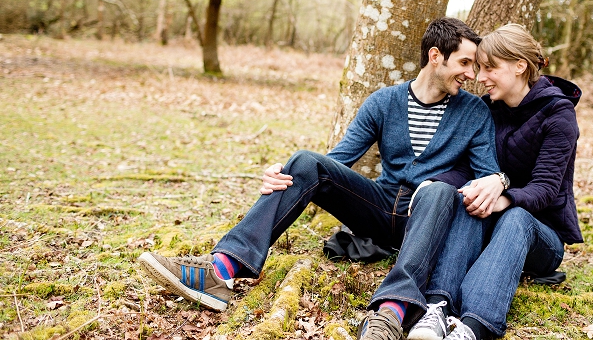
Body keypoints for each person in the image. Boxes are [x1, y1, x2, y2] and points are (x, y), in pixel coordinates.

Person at [137, 17, 506, 315]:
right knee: (305, 161)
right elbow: (336, 160)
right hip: (379, 207)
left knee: (437, 191)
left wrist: (497, 183)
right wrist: (286, 172)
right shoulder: (383, 102)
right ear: (436, 56)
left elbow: (486, 174)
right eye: (465, 63)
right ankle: (222, 270)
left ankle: (394, 308)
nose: (471, 74)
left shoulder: (474, 113)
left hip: (428, 215)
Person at [391, 24, 584, 340]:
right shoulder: (489, 111)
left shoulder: (558, 114)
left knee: (516, 216)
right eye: (479, 69)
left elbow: (547, 188)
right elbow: (467, 168)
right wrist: (432, 184)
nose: (480, 78)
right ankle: (437, 308)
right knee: (472, 196)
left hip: (542, 235)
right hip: (492, 224)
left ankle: (476, 325)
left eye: (490, 68)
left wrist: (504, 197)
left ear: (520, 66)